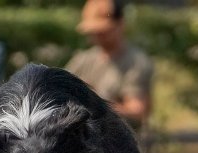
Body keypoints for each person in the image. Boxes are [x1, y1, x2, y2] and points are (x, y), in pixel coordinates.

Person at [65, 0, 153, 133]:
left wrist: (92, 100)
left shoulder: (135, 62)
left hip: (119, 141)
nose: (98, 36)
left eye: (103, 31)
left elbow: (137, 111)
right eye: (94, 31)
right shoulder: (82, 60)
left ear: (121, 24)